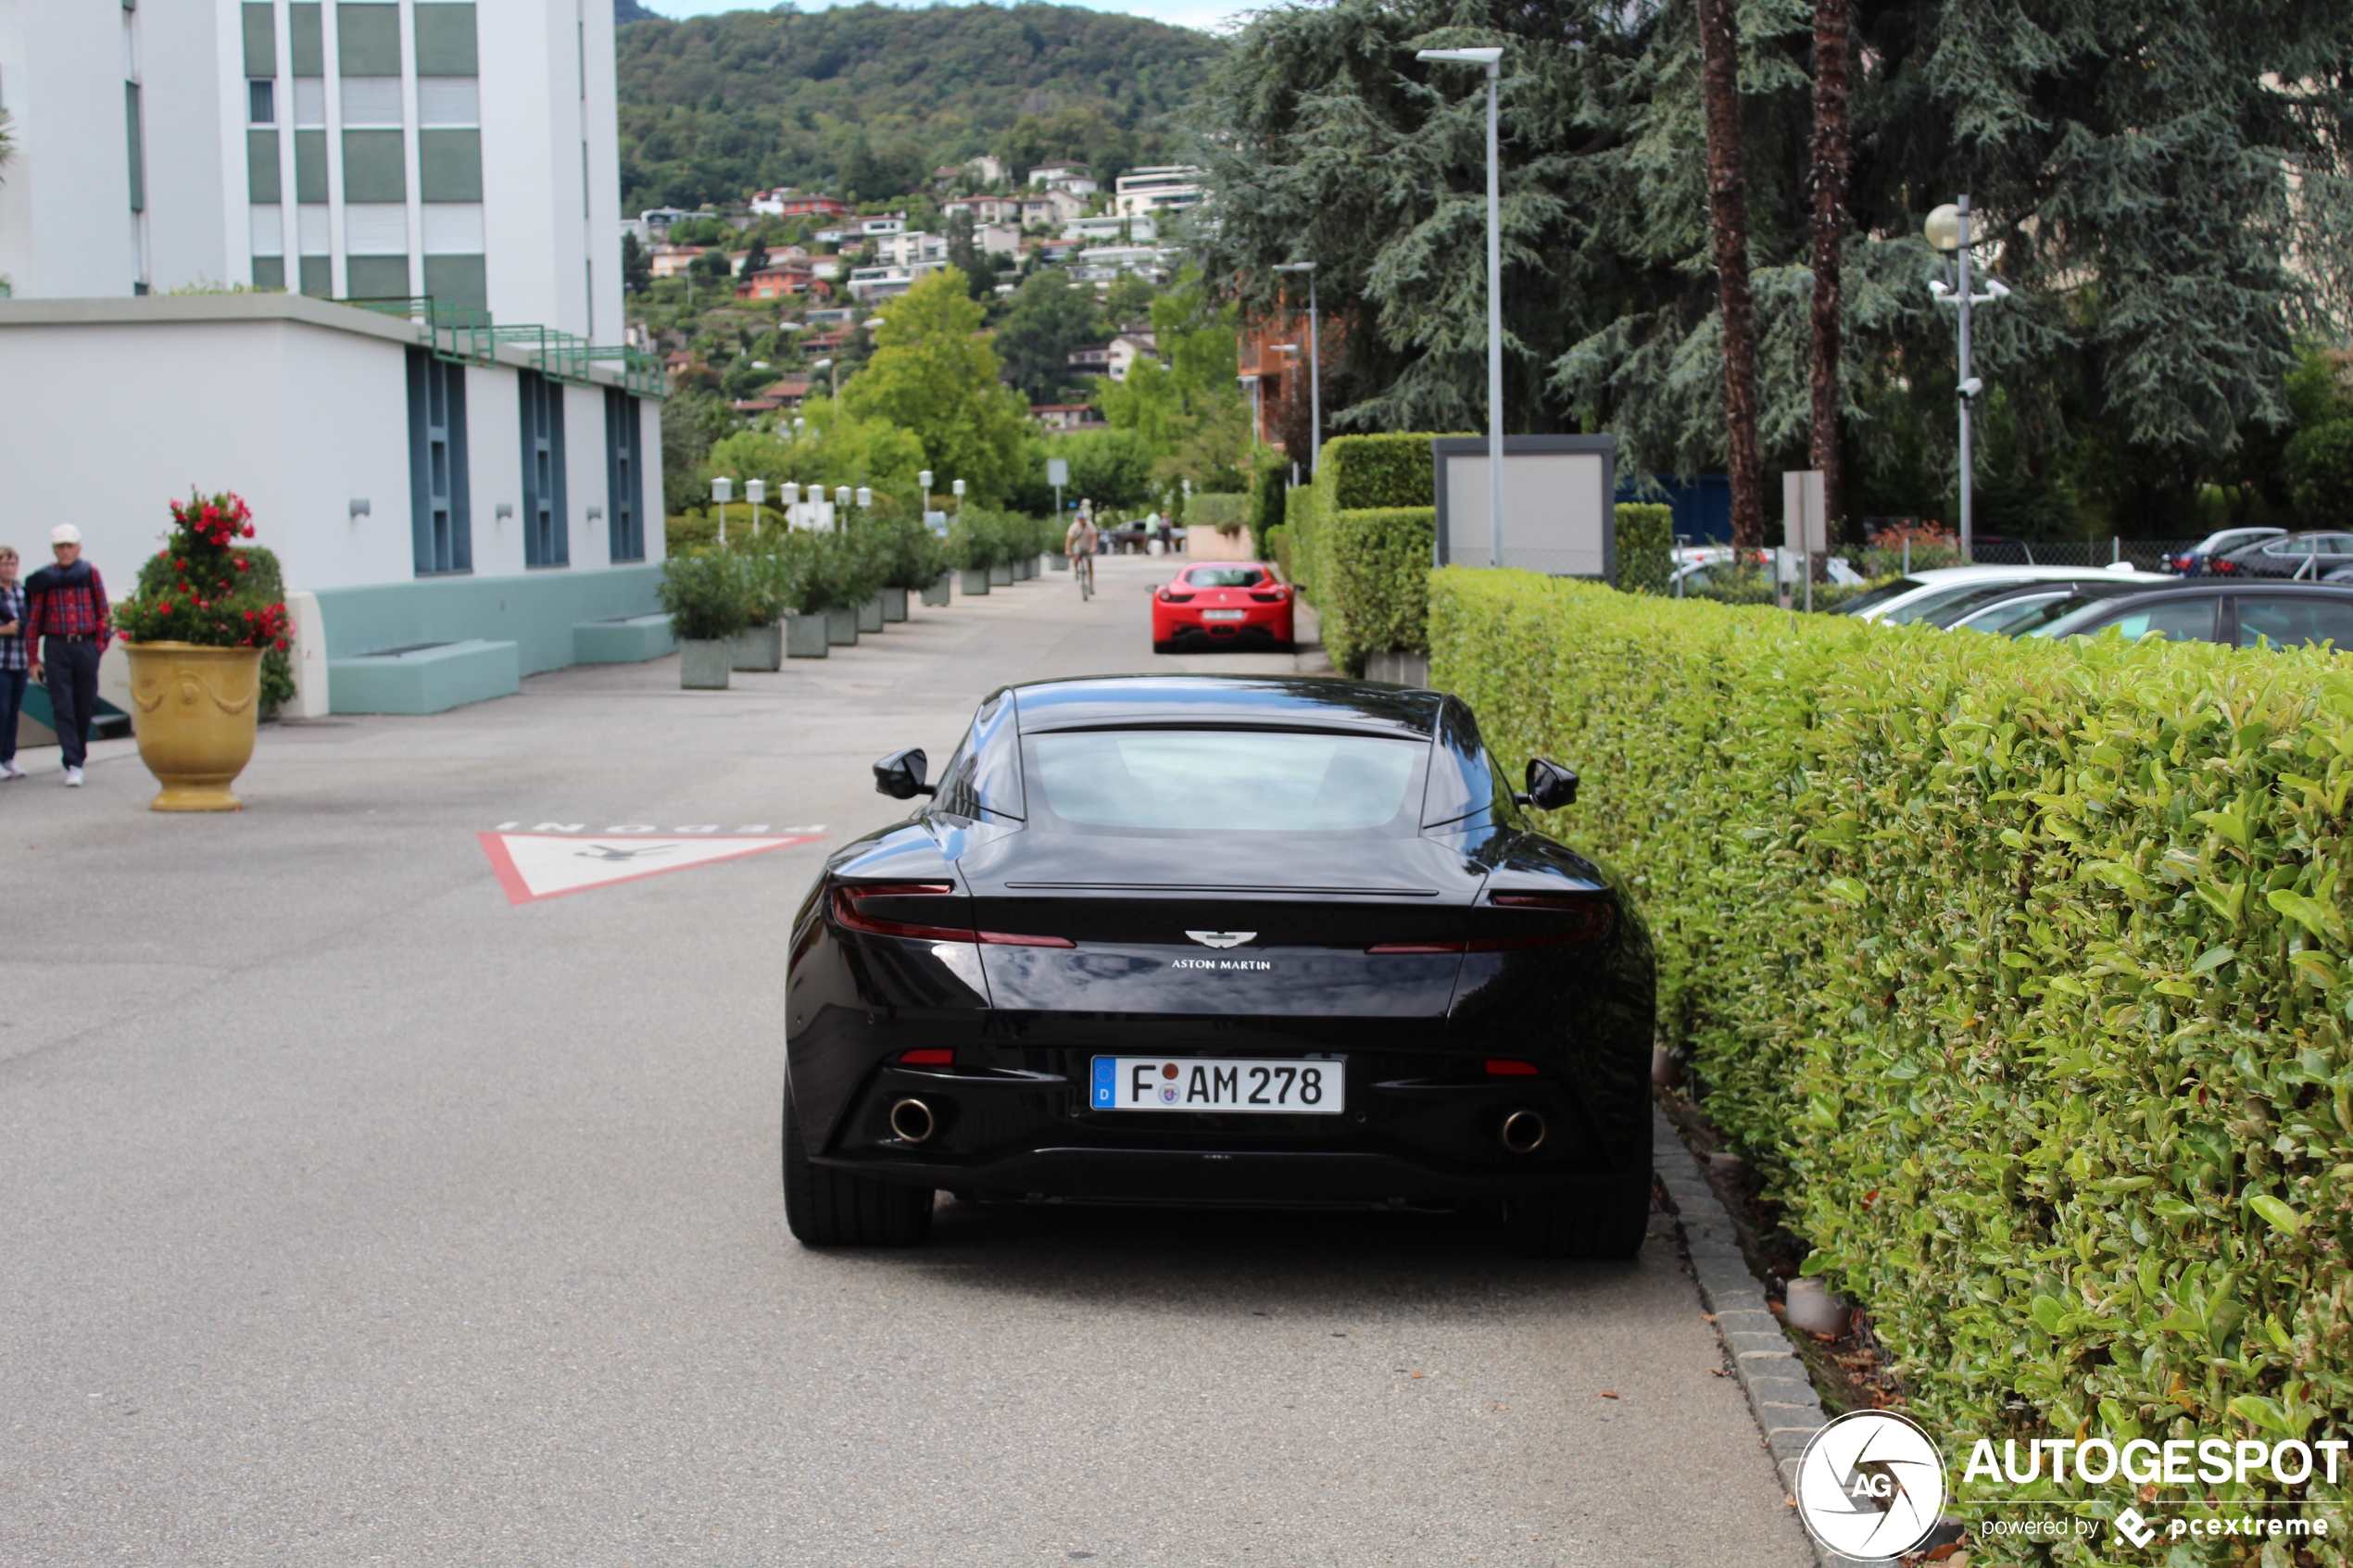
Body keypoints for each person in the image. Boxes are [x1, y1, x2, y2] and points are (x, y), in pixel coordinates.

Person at [24, 524, 110, 788]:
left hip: (85, 646)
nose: (65, 551)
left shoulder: (89, 573)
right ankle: (73, 762)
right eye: (60, 546)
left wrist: (99, 646)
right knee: (63, 706)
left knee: (84, 705)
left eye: (69, 546)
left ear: (78, 548)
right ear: (54, 549)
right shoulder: (45, 579)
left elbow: (104, 612)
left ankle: (79, 754)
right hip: (57, 646)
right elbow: (35, 618)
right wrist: (33, 658)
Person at [0, 546, 25, 780]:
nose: (8, 569)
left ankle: (9, 757)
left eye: (12, 564)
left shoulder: (21, 591)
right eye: (4, 564)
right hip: (1, 660)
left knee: (13, 713)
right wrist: (4, 630)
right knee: (1, 711)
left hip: (20, 660)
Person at [1064, 507, 1101, 600]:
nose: (1081, 521)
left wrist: (1094, 547)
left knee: (1090, 565)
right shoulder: (1074, 527)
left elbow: (1094, 536)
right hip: (1079, 546)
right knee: (1076, 557)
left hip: (1088, 546)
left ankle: (1091, 585)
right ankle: (1076, 570)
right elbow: (1069, 539)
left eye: (1082, 519)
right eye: (1079, 519)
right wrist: (1067, 550)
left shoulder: (1090, 525)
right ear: (1077, 520)